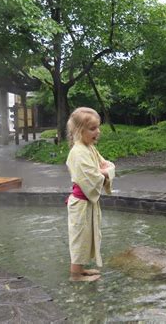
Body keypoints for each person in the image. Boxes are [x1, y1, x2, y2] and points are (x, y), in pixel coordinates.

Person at [65, 107, 115, 282]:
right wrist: (106, 172)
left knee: (87, 236)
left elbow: (105, 165)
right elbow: (94, 176)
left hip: (88, 202)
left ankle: (80, 269)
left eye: (98, 127)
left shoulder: (89, 148)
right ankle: (76, 275)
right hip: (81, 203)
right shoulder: (78, 152)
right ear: (79, 131)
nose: (98, 132)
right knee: (79, 237)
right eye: (93, 128)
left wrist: (105, 170)